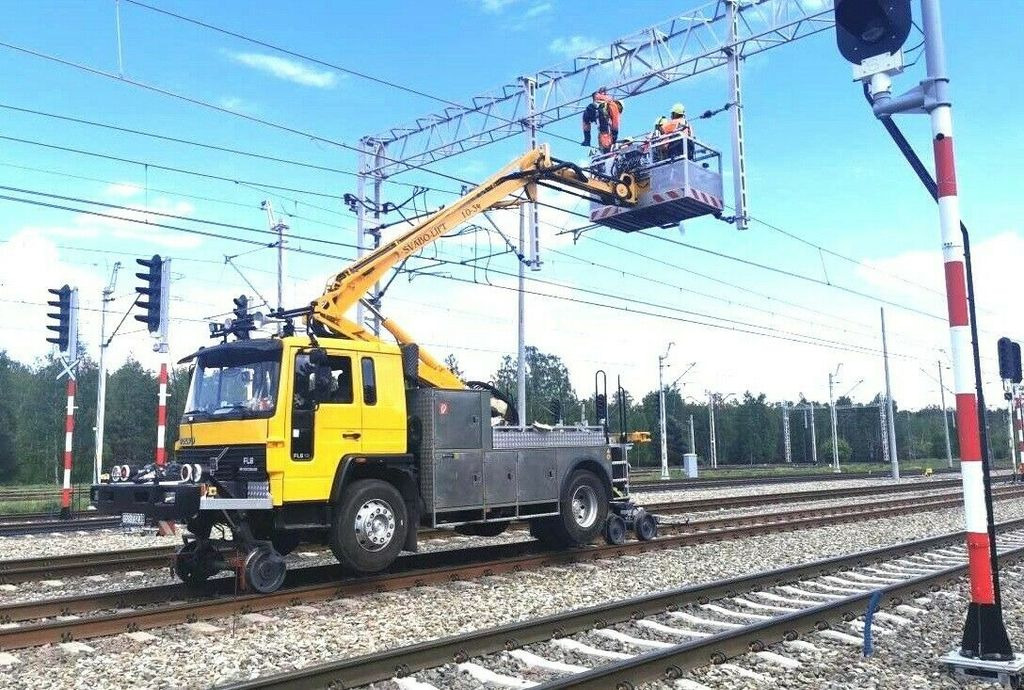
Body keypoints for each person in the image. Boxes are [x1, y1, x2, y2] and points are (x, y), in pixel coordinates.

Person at [581, 87, 623, 153]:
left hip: (597, 120)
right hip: (605, 127)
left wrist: (587, 139)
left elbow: (586, 124)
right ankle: (607, 151)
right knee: (606, 140)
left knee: (602, 136)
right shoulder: (613, 105)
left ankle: (603, 149)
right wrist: (615, 136)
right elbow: (615, 122)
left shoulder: (590, 107)